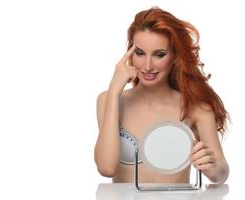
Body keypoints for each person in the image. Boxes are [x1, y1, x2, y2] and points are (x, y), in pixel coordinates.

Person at [94, 7, 229, 184]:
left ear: (174, 56)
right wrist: (113, 91)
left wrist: (212, 168)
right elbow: (106, 168)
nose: (148, 66)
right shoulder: (108, 100)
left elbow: (222, 171)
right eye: (140, 53)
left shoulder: (195, 107)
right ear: (130, 53)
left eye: (159, 54)